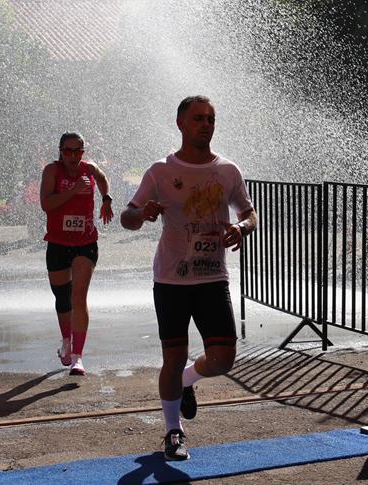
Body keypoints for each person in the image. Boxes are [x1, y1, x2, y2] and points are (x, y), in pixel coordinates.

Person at [120, 96, 257, 461]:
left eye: (211, 118)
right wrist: (142, 213)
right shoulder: (161, 170)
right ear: (180, 123)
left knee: (224, 358)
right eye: (198, 118)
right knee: (173, 354)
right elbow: (127, 217)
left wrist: (242, 228)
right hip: (171, 280)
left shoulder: (228, 170)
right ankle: (173, 431)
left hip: (213, 277)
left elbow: (249, 212)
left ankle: (186, 380)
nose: (205, 124)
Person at [41, 132, 113, 376]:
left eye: (78, 151)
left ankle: (78, 358)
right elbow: (46, 204)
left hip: (85, 242)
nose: (73, 156)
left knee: (78, 297)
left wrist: (106, 199)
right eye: (68, 151)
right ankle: (66, 340)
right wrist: (73, 191)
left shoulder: (89, 169)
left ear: (84, 152)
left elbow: (103, 178)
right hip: (58, 243)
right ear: (60, 151)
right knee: (62, 299)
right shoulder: (52, 171)